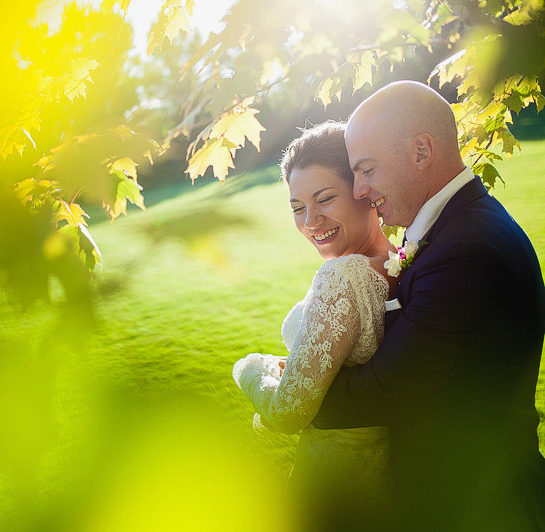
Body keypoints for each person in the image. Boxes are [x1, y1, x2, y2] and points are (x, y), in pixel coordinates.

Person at [312, 80, 545, 531]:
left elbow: (386, 393)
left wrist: (293, 386)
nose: (359, 190)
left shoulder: (466, 250)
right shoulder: (451, 227)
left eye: (366, 169)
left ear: (421, 151)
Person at [232, 121, 397, 530]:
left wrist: (251, 369)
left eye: (324, 199)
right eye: (296, 208)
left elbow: (288, 412)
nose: (310, 221)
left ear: (363, 190)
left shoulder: (341, 277)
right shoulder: (399, 257)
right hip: (380, 478)